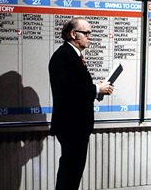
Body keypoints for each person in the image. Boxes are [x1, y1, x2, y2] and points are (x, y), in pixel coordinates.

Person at [48, 17, 113, 190]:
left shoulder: (72, 55)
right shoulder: (64, 56)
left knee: (73, 171)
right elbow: (70, 91)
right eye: (86, 33)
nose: (89, 36)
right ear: (73, 34)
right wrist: (96, 89)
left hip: (76, 125)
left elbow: (77, 87)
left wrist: (95, 88)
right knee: (70, 171)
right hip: (71, 125)